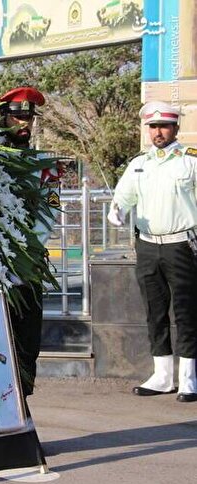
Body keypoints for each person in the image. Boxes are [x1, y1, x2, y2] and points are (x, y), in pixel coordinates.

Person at [109, 101, 197, 403]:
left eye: (164, 126)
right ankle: (162, 375)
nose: (158, 132)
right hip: (147, 245)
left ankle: (188, 377)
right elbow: (123, 197)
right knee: (154, 311)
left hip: (181, 244)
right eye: (153, 127)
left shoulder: (191, 161)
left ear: (175, 128)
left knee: (186, 311)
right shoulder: (138, 164)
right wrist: (117, 211)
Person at [0, 86, 59, 397]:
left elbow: (49, 213)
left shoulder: (45, 164)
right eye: (17, 117)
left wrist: (24, 250)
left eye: (28, 118)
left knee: (27, 343)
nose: (24, 124)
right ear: (3, 118)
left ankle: (22, 410)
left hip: (28, 265)